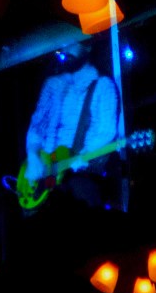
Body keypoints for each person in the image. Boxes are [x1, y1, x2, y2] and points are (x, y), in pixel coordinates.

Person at [19, 38, 124, 214]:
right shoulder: (52, 85)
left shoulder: (103, 86)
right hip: (46, 179)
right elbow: (37, 126)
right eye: (62, 44)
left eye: (72, 43)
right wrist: (32, 155)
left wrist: (81, 157)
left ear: (87, 45)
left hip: (81, 177)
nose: (65, 49)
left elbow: (106, 133)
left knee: (79, 198)